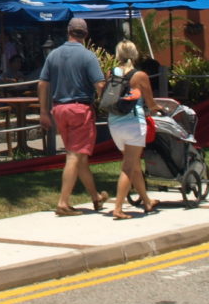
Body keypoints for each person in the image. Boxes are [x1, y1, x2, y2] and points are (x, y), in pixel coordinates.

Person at [38, 17, 109, 216]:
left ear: (68, 32)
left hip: (59, 109)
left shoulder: (53, 55)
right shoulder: (88, 57)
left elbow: (42, 84)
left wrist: (43, 112)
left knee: (79, 157)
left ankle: (95, 197)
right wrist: (108, 103)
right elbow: (100, 85)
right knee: (74, 156)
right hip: (80, 109)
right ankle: (63, 203)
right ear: (85, 34)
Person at [107, 40, 165, 220]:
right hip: (133, 123)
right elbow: (150, 103)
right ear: (135, 54)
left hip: (114, 123)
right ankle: (118, 207)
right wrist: (159, 108)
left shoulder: (112, 72)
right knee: (128, 167)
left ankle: (147, 201)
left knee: (134, 164)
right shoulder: (140, 75)